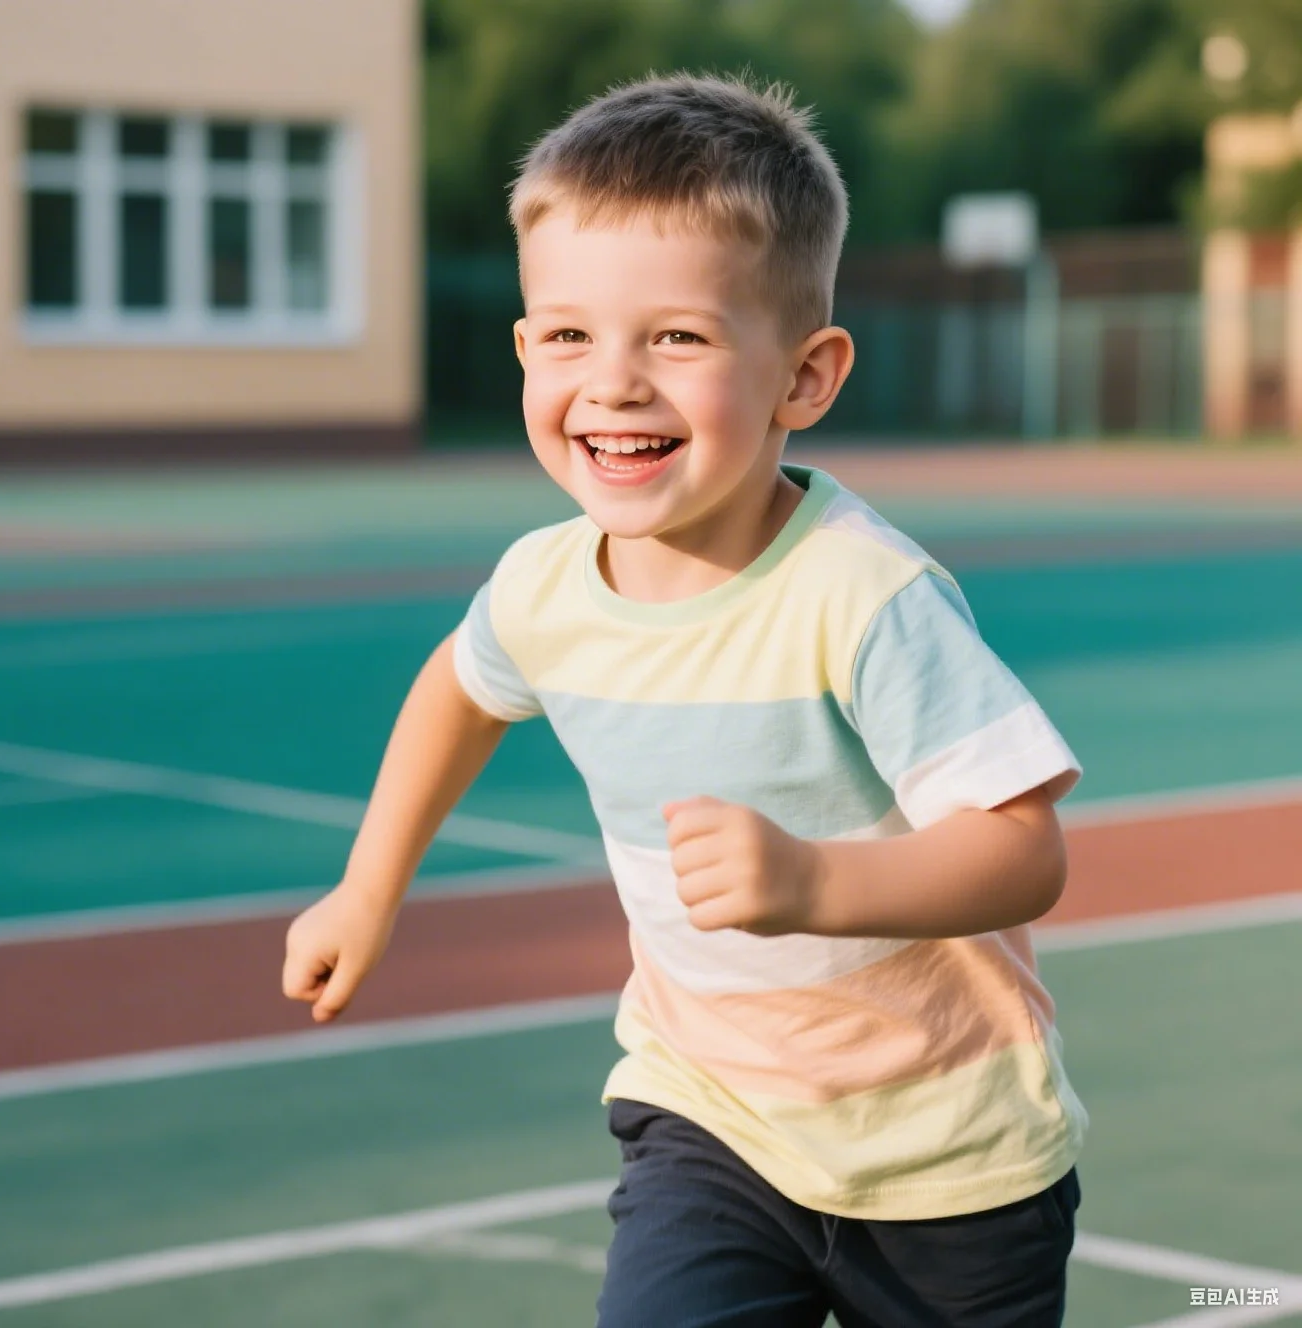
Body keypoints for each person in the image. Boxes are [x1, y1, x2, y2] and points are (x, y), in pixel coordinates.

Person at [283, 72, 1087, 1328]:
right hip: (707, 1115)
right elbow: (460, 687)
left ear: (804, 377)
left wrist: (815, 883)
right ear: (524, 350)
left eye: (677, 337)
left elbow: (1021, 847)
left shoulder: (860, 595)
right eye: (567, 335)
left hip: (949, 1154)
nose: (611, 383)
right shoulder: (542, 584)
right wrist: (368, 883)